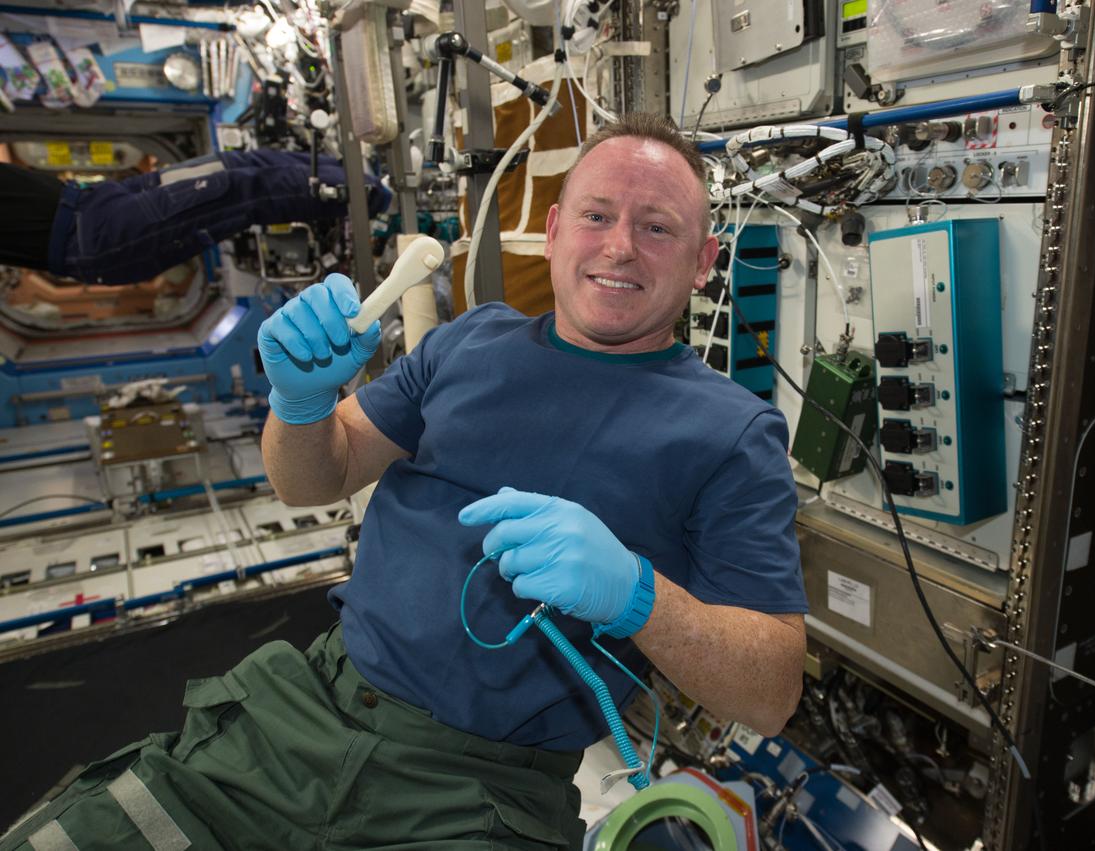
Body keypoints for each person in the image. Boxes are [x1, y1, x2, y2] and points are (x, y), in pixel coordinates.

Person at [0, 112, 807, 850]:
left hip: (477, 793)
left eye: (657, 227)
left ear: (704, 262)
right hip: (290, 722)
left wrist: (639, 594)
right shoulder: (471, 340)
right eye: (596, 216)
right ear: (555, 231)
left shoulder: (732, 432)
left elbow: (770, 691)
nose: (619, 246)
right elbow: (315, 476)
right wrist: (303, 401)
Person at [0, 150, 389, 285]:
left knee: (232, 164)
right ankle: (369, 196)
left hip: (91, 202)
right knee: (239, 190)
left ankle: (353, 172)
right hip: (92, 237)